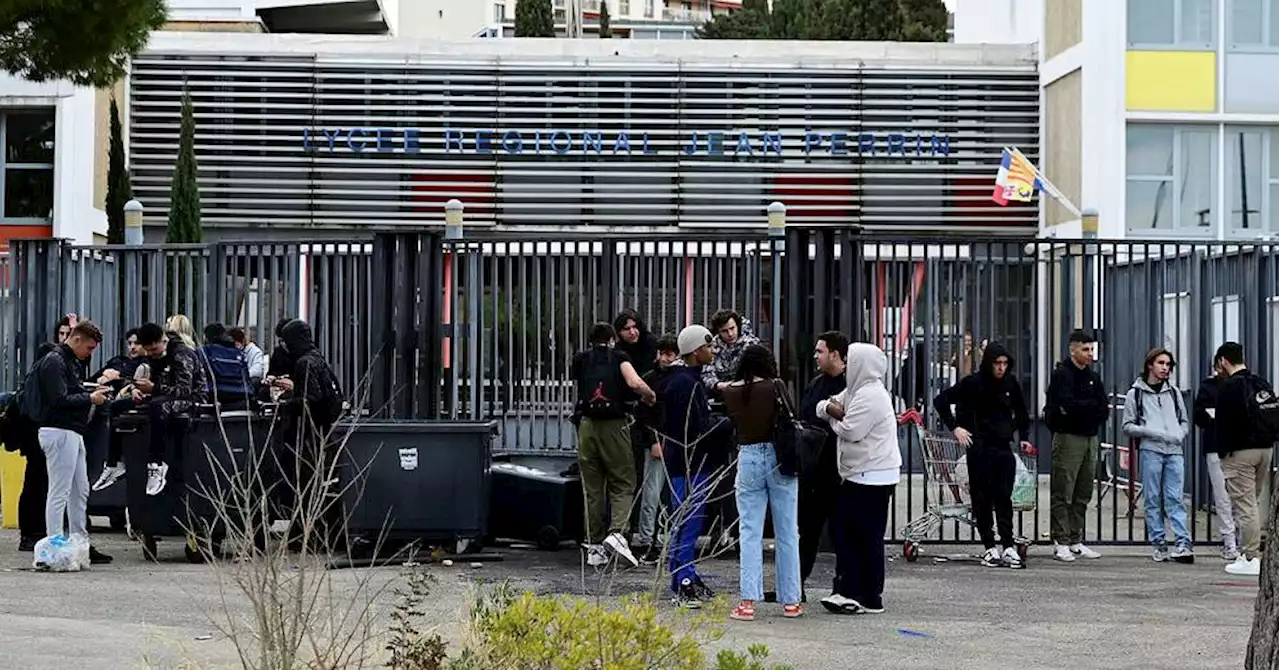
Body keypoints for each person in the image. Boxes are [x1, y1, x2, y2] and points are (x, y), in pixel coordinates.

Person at [933, 342, 1033, 569]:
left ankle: (1007, 545)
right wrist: (955, 428)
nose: (1001, 368)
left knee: (1004, 496)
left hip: (1003, 446)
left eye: (1005, 363)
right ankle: (989, 546)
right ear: (989, 363)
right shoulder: (972, 384)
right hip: (979, 447)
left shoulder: (1010, 383)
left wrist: (1023, 435)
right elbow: (941, 401)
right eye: (997, 363)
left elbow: (1021, 411)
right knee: (982, 498)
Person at [817, 343, 901, 614]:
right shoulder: (855, 390)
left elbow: (851, 430)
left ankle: (868, 595)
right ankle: (851, 590)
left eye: (851, 360)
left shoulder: (872, 395)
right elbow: (824, 404)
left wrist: (833, 418)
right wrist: (831, 410)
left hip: (872, 476)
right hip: (858, 473)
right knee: (849, 533)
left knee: (865, 536)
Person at [722, 345, 803, 621]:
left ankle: (747, 602)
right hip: (779, 457)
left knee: (749, 531)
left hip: (748, 457)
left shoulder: (731, 392)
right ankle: (791, 601)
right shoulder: (775, 386)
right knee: (787, 532)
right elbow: (793, 418)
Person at [24, 320, 109, 566]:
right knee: (60, 490)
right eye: (90, 348)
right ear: (77, 339)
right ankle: (53, 545)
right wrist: (90, 397)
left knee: (79, 489)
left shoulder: (67, 360)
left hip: (70, 431)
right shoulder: (55, 361)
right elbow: (59, 398)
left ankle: (77, 540)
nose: (90, 353)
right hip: (59, 430)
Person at [570, 322, 656, 568]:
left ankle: (594, 546)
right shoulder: (619, 356)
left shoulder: (581, 359)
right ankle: (618, 534)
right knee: (623, 481)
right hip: (614, 425)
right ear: (610, 339)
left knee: (593, 487)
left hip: (586, 426)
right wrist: (649, 396)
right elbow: (634, 383)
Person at [660, 324, 732, 608]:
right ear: (695, 351)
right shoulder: (686, 383)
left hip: (685, 461)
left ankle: (683, 576)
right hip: (688, 463)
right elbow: (695, 427)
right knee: (688, 522)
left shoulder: (683, 380)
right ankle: (683, 580)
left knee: (687, 521)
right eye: (708, 347)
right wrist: (725, 424)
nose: (712, 351)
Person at [269, 319, 346, 550]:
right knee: (322, 485)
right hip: (325, 432)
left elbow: (309, 400)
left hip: (310, 435)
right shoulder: (318, 359)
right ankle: (319, 534)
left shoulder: (304, 363)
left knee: (307, 484)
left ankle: (308, 535)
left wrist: (284, 402)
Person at [1121, 347, 1193, 564]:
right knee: (1153, 498)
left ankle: (1182, 543)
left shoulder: (1173, 392)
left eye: (1168, 364)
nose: (1165, 368)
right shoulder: (1136, 393)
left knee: (1174, 497)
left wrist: (1180, 433)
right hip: (1151, 450)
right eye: (1161, 363)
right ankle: (1159, 542)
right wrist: (1151, 432)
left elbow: (1184, 420)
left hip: (1174, 450)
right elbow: (1127, 426)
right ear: (1150, 365)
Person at [1044, 329, 1108, 562]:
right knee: (1064, 489)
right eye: (1085, 349)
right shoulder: (1062, 374)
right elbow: (1066, 406)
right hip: (1068, 436)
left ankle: (1076, 539)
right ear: (1073, 350)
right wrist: (1086, 408)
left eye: (1092, 349)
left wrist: (1085, 408)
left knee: (1083, 490)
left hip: (1090, 436)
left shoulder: (1094, 377)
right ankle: (1060, 540)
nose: (1090, 354)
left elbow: (1103, 407)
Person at [1212, 342, 1275, 577]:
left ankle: (1250, 557)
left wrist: (1222, 452)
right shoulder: (1261, 383)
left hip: (1239, 452)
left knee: (1245, 505)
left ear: (1223, 361)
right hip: (1265, 449)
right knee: (1254, 502)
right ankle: (1250, 553)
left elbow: (1222, 424)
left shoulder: (1229, 388)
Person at [795, 330, 849, 599]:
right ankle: (796, 586)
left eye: (820, 351)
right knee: (807, 531)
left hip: (840, 470)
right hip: (813, 470)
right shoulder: (816, 383)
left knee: (843, 532)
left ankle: (843, 587)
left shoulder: (851, 384)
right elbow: (804, 415)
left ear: (835, 354)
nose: (816, 356)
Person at [134, 322, 207, 496]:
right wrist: (138, 389)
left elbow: (185, 390)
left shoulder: (181, 354)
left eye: (154, 350)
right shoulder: (156, 358)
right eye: (149, 352)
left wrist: (153, 389)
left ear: (163, 341)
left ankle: (156, 462)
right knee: (119, 406)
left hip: (193, 399)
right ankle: (115, 463)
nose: (152, 355)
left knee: (157, 407)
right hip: (165, 395)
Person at [632, 335, 680, 564]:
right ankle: (648, 541)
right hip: (660, 441)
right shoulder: (652, 379)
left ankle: (662, 541)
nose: (665, 358)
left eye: (670, 354)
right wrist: (653, 440)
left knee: (666, 495)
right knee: (653, 494)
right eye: (663, 353)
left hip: (673, 441)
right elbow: (643, 414)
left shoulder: (673, 379)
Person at [90, 329, 151, 491]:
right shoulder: (118, 361)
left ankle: (113, 462)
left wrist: (119, 378)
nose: (132, 347)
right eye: (129, 343)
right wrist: (103, 379)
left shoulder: (147, 364)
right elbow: (93, 380)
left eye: (136, 343)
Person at [1193, 359, 1241, 562]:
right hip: (1216, 447)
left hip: (1239, 447)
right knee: (1223, 497)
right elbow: (1199, 416)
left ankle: (1240, 541)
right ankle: (1230, 541)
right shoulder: (1208, 387)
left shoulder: (1241, 384)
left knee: (1240, 497)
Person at [702, 309, 761, 396]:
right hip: (719, 394)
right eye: (724, 331)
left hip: (748, 393)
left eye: (732, 328)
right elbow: (706, 372)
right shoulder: (712, 347)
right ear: (718, 332)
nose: (730, 334)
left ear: (738, 326)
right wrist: (717, 385)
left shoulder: (752, 345)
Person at [200, 322, 253, 407]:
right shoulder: (237, 352)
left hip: (214, 396)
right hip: (240, 395)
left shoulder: (204, 351)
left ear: (206, 337)